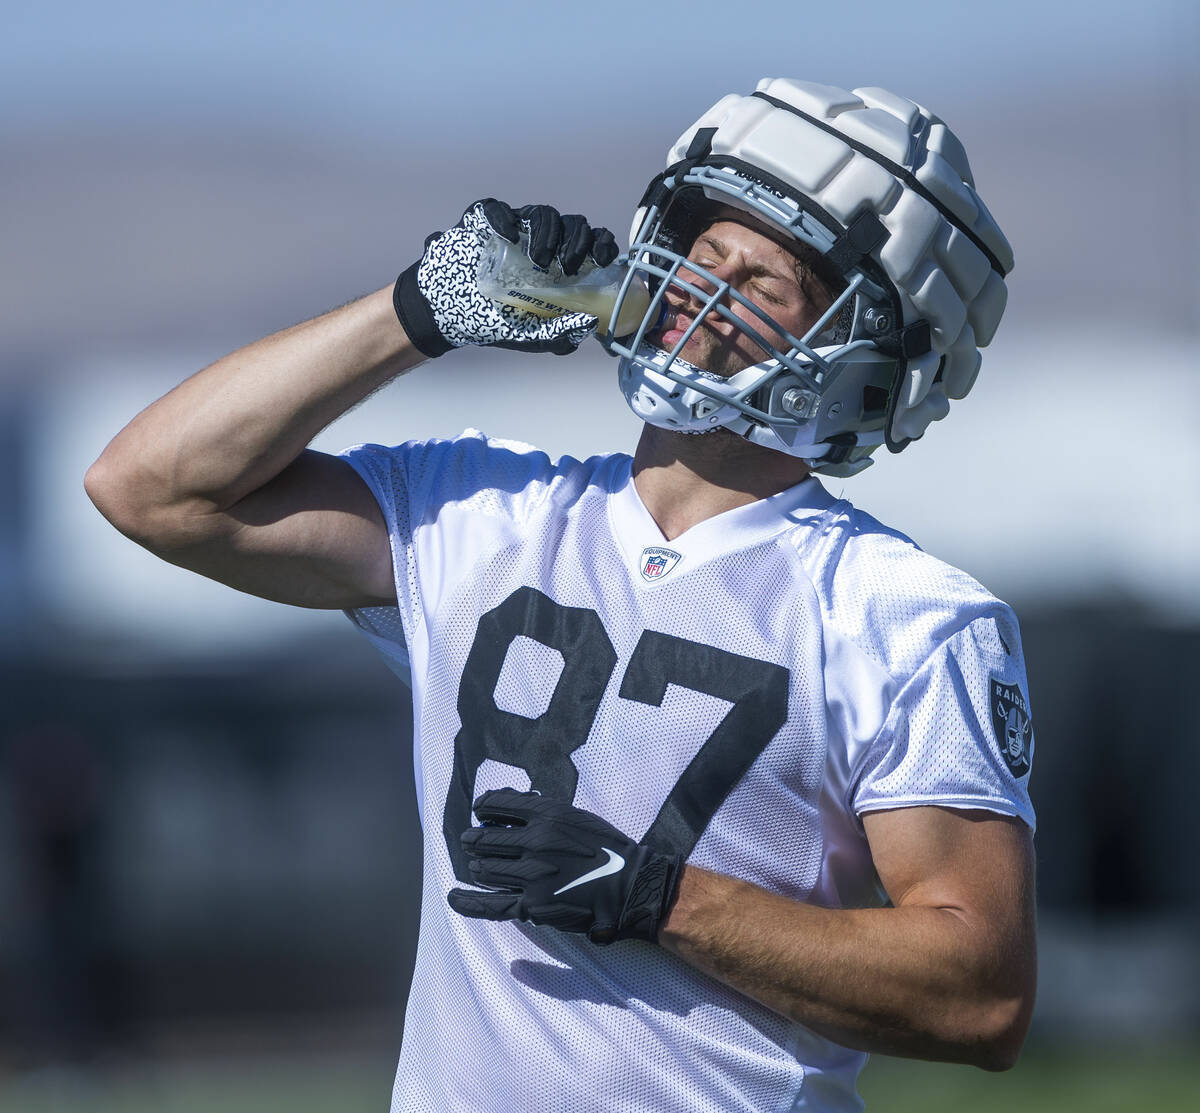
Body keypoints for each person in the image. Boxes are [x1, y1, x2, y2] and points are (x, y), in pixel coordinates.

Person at [85, 79, 1037, 1112]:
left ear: (865, 354)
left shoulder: (903, 612)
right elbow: (149, 488)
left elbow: (979, 995)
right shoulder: (485, 511)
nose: (698, 289)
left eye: (760, 279)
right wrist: (419, 312)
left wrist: (665, 900)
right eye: (701, 249)